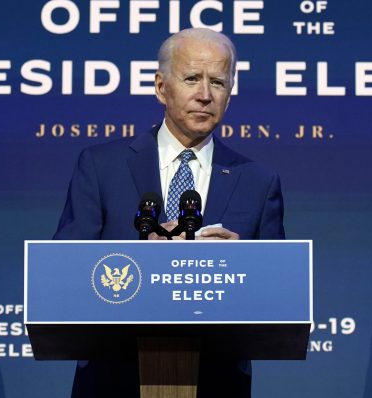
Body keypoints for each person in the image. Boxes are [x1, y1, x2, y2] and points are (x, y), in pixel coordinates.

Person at [54, 27, 285, 398]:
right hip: (113, 378)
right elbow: (63, 274)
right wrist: (143, 259)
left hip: (217, 382)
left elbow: (279, 300)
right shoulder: (101, 166)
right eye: (192, 78)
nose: (205, 95)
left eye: (218, 82)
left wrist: (244, 264)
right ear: (161, 87)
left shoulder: (258, 181)